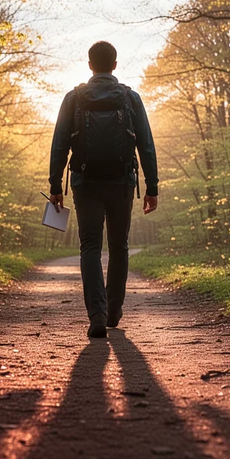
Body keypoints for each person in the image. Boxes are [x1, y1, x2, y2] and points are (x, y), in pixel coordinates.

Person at [49, 41, 159, 338]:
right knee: (119, 245)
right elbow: (145, 144)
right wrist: (152, 186)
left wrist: (55, 184)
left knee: (90, 246)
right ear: (115, 65)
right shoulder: (130, 98)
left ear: (89, 66)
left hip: (85, 182)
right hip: (122, 181)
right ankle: (113, 310)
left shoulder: (74, 99)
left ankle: (96, 314)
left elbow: (60, 143)